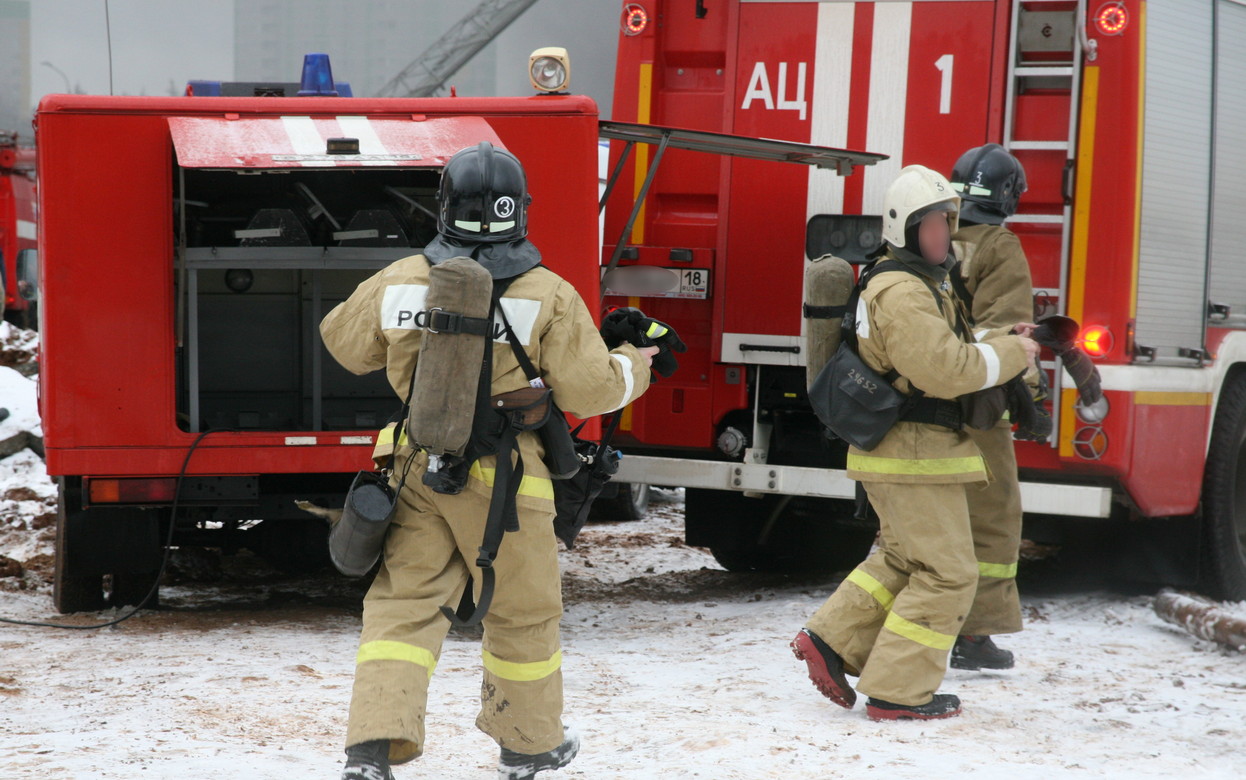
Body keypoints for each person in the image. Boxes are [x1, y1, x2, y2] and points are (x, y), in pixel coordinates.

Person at [321, 142, 660, 779]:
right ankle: (529, 747)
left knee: (402, 607)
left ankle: (371, 751)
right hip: (508, 480)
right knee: (523, 612)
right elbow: (592, 391)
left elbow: (343, 342)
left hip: (414, 469)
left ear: (444, 208)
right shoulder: (548, 294)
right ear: (520, 213)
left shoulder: (402, 277)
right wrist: (634, 365)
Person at [791, 165, 1040, 721]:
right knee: (950, 572)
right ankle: (899, 693)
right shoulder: (901, 289)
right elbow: (943, 368)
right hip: (913, 452)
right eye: (932, 224)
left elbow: (947, 342)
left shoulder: (922, 282)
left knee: (905, 559)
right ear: (905, 227)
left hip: (912, 451)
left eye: (948, 222)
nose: (943, 235)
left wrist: (1002, 339)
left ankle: (830, 642)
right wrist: (1011, 358)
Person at [946, 143, 1035, 671]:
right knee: (994, 515)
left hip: (911, 406)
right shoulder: (998, 246)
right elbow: (1004, 334)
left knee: (923, 521)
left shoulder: (929, 234)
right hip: (976, 407)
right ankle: (974, 635)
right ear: (1008, 196)